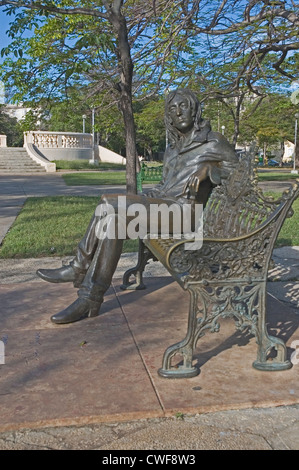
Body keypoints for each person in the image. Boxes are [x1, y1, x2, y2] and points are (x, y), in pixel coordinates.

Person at [37, 89, 238, 324]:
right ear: (169, 117)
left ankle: (79, 267)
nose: (178, 112)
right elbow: (164, 187)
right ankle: (90, 297)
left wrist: (210, 171)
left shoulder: (213, 141)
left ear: (194, 109)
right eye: (172, 109)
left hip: (186, 215)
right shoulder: (173, 149)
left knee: (109, 202)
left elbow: (240, 175)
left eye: (183, 106)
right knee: (114, 219)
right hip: (165, 209)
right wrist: (145, 196)